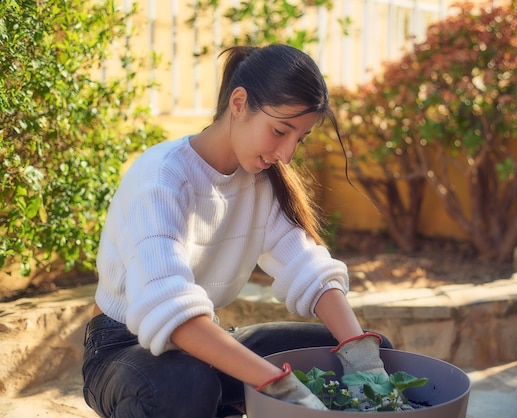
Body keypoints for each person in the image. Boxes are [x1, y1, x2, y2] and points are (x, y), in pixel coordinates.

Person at [81, 44, 394, 418]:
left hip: (205, 345)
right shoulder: (161, 178)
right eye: (280, 130)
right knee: (186, 385)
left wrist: (361, 355)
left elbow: (307, 267)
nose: (287, 154)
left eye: (299, 138)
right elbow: (173, 314)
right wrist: (279, 386)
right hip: (123, 353)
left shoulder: (260, 181)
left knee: (367, 353)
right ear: (239, 103)